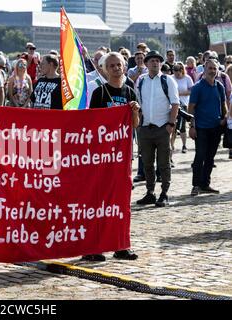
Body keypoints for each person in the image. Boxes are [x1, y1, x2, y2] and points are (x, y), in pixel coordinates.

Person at [83, 52, 140, 262]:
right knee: (98, 201)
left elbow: (136, 125)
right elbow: (92, 123)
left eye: (119, 65)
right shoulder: (99, 93)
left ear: (124, 67)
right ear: (106, 69)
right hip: (101, 157)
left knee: (121, 202)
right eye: (112, 66)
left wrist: (134, 112)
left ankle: (120, 245)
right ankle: (93, 246)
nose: (116, 68)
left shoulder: (130, 92)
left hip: (123, 157)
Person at [135, 50, 180, 208]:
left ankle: (164, 193)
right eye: (152, 60)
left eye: (157, 60)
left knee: (163, 164)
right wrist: (139, 126)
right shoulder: (141, 81)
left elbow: (175, 103)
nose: (155, 63)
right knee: (147, 163)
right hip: (146, 128)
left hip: (163, 128)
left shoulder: (168, 80)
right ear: (146, 63)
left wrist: (171, 125)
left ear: (161, 63)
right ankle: (150, 193)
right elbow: (138, 104)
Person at [188, 59, 228, 196]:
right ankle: (196, 185)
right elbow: (191, 109)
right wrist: (192, 126)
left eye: (214, 68)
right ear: (204, 70)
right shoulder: (197, 87)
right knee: (200, 156)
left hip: (216, 127)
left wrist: (225, 119)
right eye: (209, 68)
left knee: (210, 157)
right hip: (201, 128)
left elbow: (223, 105)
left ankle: (205, 184)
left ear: (217, 70)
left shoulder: (219, 87)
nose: (212, 70)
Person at [171, 62, 193, 154]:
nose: (176, 72)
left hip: (183, 104)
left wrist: (179, 94)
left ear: (182, 70)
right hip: (173, 104)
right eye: (174, 70)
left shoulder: (187, 78)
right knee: (174, 126)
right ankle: (172, 145)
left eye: (178, 70)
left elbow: (191, 90)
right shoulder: (171, 78)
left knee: (182, 126)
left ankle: (184, 145)